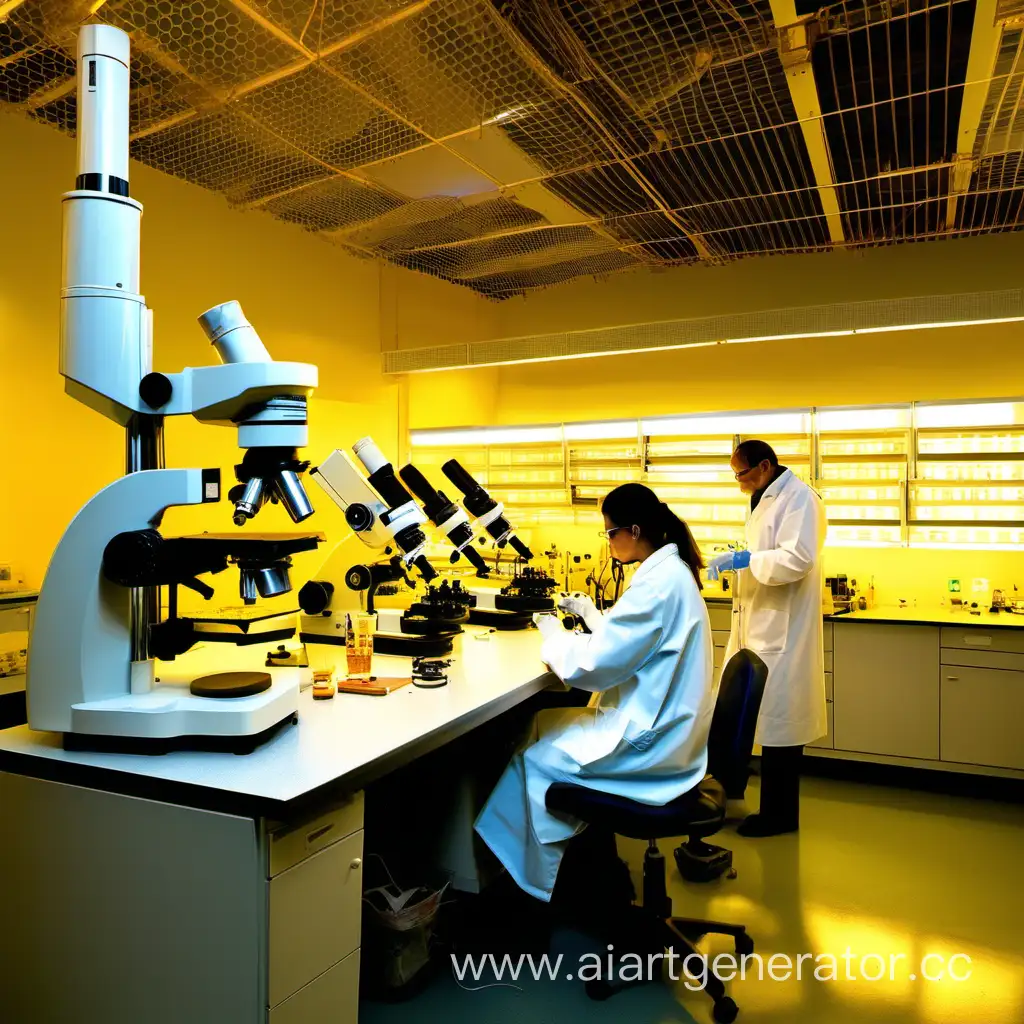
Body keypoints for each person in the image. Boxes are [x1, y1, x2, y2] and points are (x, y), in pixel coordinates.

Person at [474, 483, 717, 902]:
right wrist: (590, 614)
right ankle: (590, 867)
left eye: (609, 533)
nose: (608, 543)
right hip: (667, 730)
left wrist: (553, 637)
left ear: (634, 530)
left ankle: (526, 889)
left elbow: (595, 667)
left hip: (650, 744)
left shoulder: (659, 583)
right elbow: (633, 642)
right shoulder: (668, 572)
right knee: (540, 726)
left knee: (533, 761)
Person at [706, 439, 827, 838]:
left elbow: (796, 558)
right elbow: (768, 550)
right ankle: (731, 790)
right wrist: (743, 556)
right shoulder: (765, 496)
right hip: (756, 623)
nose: (738, 482)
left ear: (764, 465)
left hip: (783, 631)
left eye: (741, 474)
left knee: (781, 726)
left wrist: (747, 560)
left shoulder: (800, 498)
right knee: (742, 717)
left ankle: (779, 817)